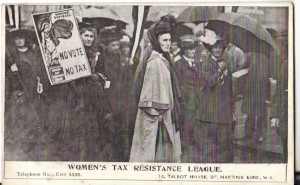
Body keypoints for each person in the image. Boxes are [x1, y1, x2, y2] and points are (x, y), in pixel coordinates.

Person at [129, 15, 184, 162]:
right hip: (157, 116)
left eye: (169, 40)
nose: (168, 43)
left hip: (165, 112)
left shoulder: (164, 59)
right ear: (157, 41)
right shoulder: (154, 61)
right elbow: (149, 92)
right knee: (156, 150)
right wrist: (158, 114)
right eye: (164, 40)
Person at [193, 31, 235, 163]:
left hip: (223, 111)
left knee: (224, 144)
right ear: (211, 49)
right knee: (209, 146)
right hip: (209, 111)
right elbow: (210, 82)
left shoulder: (226, 63)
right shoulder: (205, 63)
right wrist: (220, 70)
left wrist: (232, 110)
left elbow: (229, 89)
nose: (218, 50)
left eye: (220, 47)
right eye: (215, 47)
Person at [174, 35, 200, 162]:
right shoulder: (179, 64)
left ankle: (192, 148)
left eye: (194, 49)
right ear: (184, 50)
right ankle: (185, 151)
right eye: (190, 49)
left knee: (194, 124)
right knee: (186, 125)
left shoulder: (196, 63)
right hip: (185, 100)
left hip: (196, 99)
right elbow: (177, 83)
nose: (193, 51)